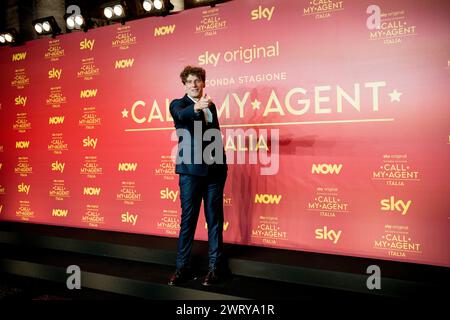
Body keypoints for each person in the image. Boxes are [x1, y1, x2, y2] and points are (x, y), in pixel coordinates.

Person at [168, 65, 227, 286]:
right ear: (184, 85)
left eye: (198, 81)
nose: (194, 85)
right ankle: (182, 268)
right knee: (188, 221)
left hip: (215, 173)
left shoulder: (211, 106)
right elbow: (180, 115)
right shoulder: (178, 104)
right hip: (191, 173)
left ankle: (215, 269)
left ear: (203, 83)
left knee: (214, 220)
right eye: (190, 81)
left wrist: (222, 163)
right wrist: (196, 108)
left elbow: (215, 135)